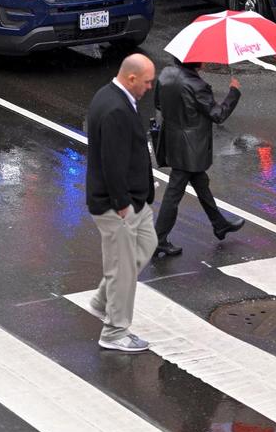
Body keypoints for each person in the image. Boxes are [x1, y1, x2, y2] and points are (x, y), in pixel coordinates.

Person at [85, 54, 159, 353]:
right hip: (117, 205)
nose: (150, 87)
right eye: (147, 81)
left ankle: (103, 300)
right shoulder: (115, 109)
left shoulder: (112, 95)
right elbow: (112, 163)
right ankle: (114, 332)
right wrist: (122, 204)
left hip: (133, 200)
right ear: (131, 78)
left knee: (147, 243)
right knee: (122, 269)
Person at [152, 59, 246, 257]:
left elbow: (158, 103)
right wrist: (234, 93)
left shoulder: (166, 74)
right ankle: (158, 240)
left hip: (173, 139)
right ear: (198, 63)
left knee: (200, 182)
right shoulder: (198, 86)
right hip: (191, 147)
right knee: (174, 192)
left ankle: (219, 224)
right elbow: (218, 114)